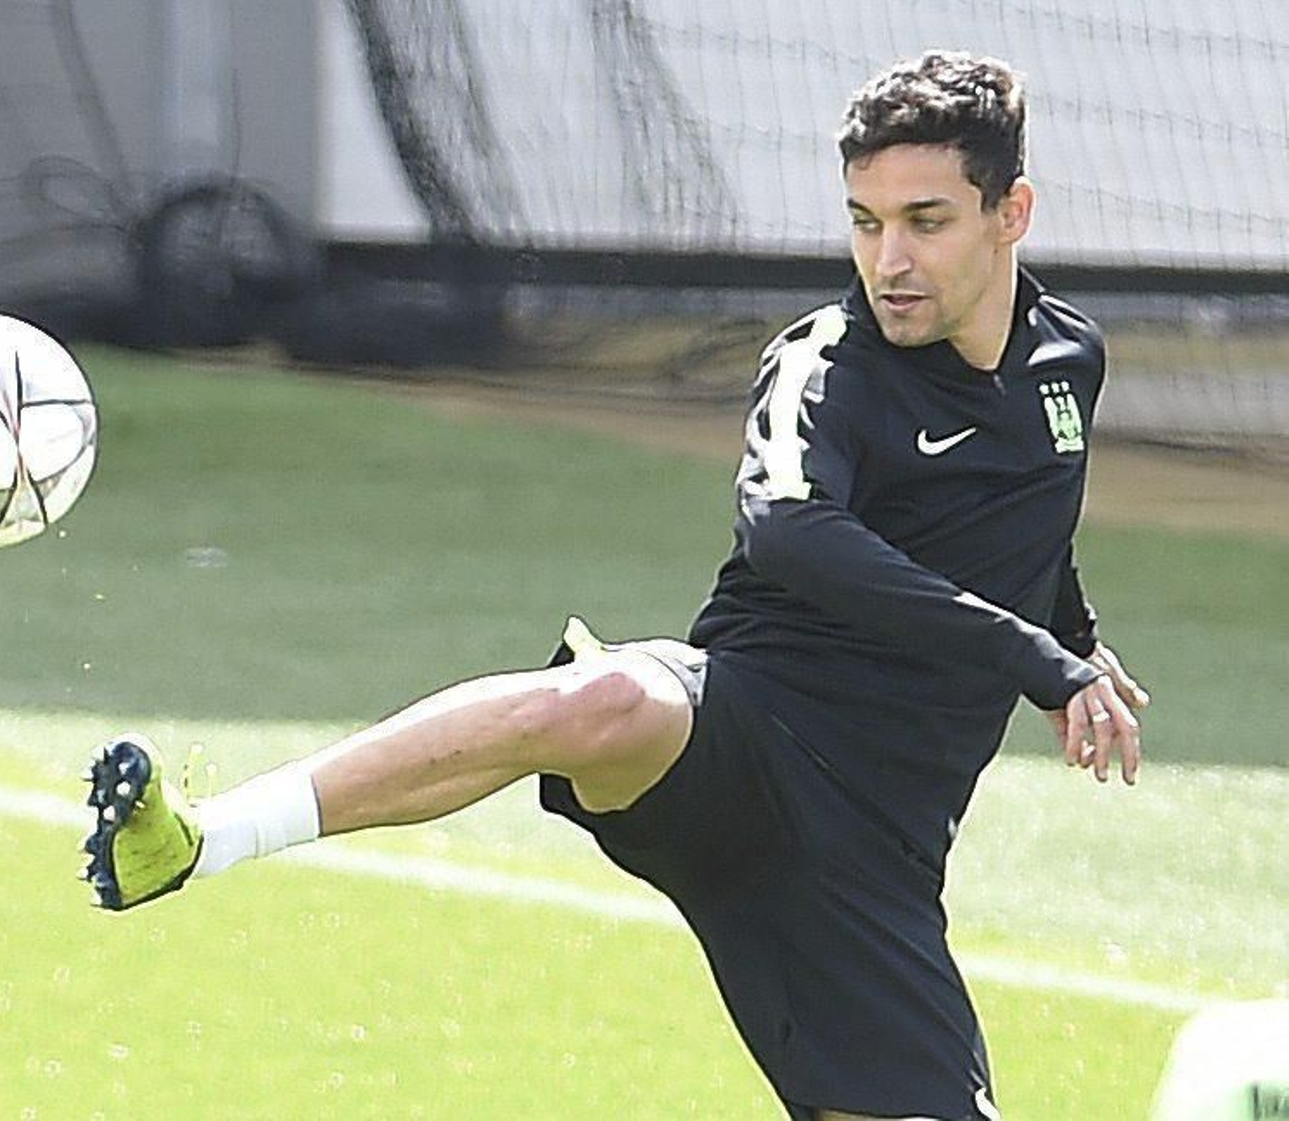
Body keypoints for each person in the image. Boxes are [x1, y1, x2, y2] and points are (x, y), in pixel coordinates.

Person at [79, 50, 1149, 1120]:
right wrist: (1031, 656)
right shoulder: (828, 363)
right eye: (865, 223)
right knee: (601, 699)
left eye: (926, 221)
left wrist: (1075, 636)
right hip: (745, 735)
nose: (889, 260)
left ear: (1011, 213)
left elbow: (1028, 508)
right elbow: (789, 528)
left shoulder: (1067, 359)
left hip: (874, 851)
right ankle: (202, 836)